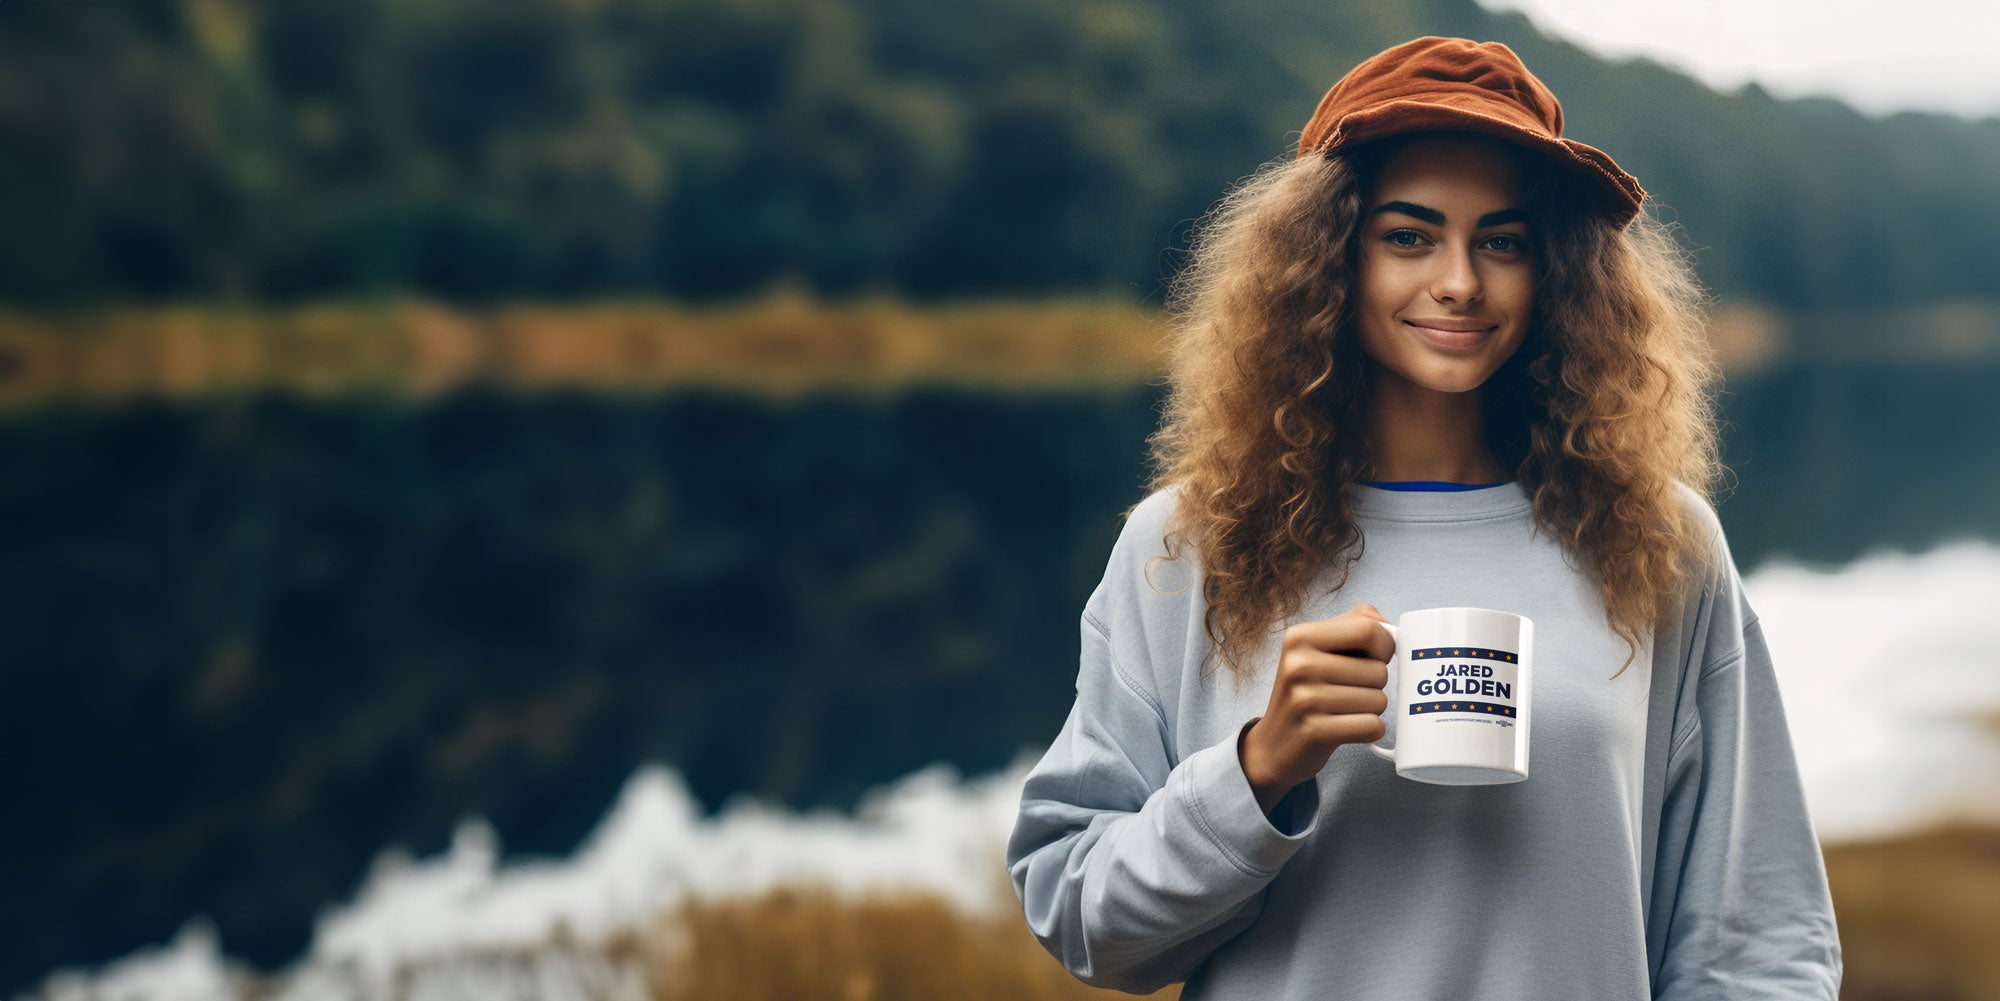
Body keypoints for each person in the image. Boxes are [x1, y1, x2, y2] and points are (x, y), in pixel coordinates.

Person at [1005, 36, 1841, 999]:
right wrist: (1259, 767)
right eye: (1409, 236)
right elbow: (1083, 921)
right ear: (1327, 260)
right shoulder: (1184, 546)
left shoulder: (1657, 541)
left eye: (1503, 241)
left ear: (1558, 269)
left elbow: (1759, 938)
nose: (1460, 281)